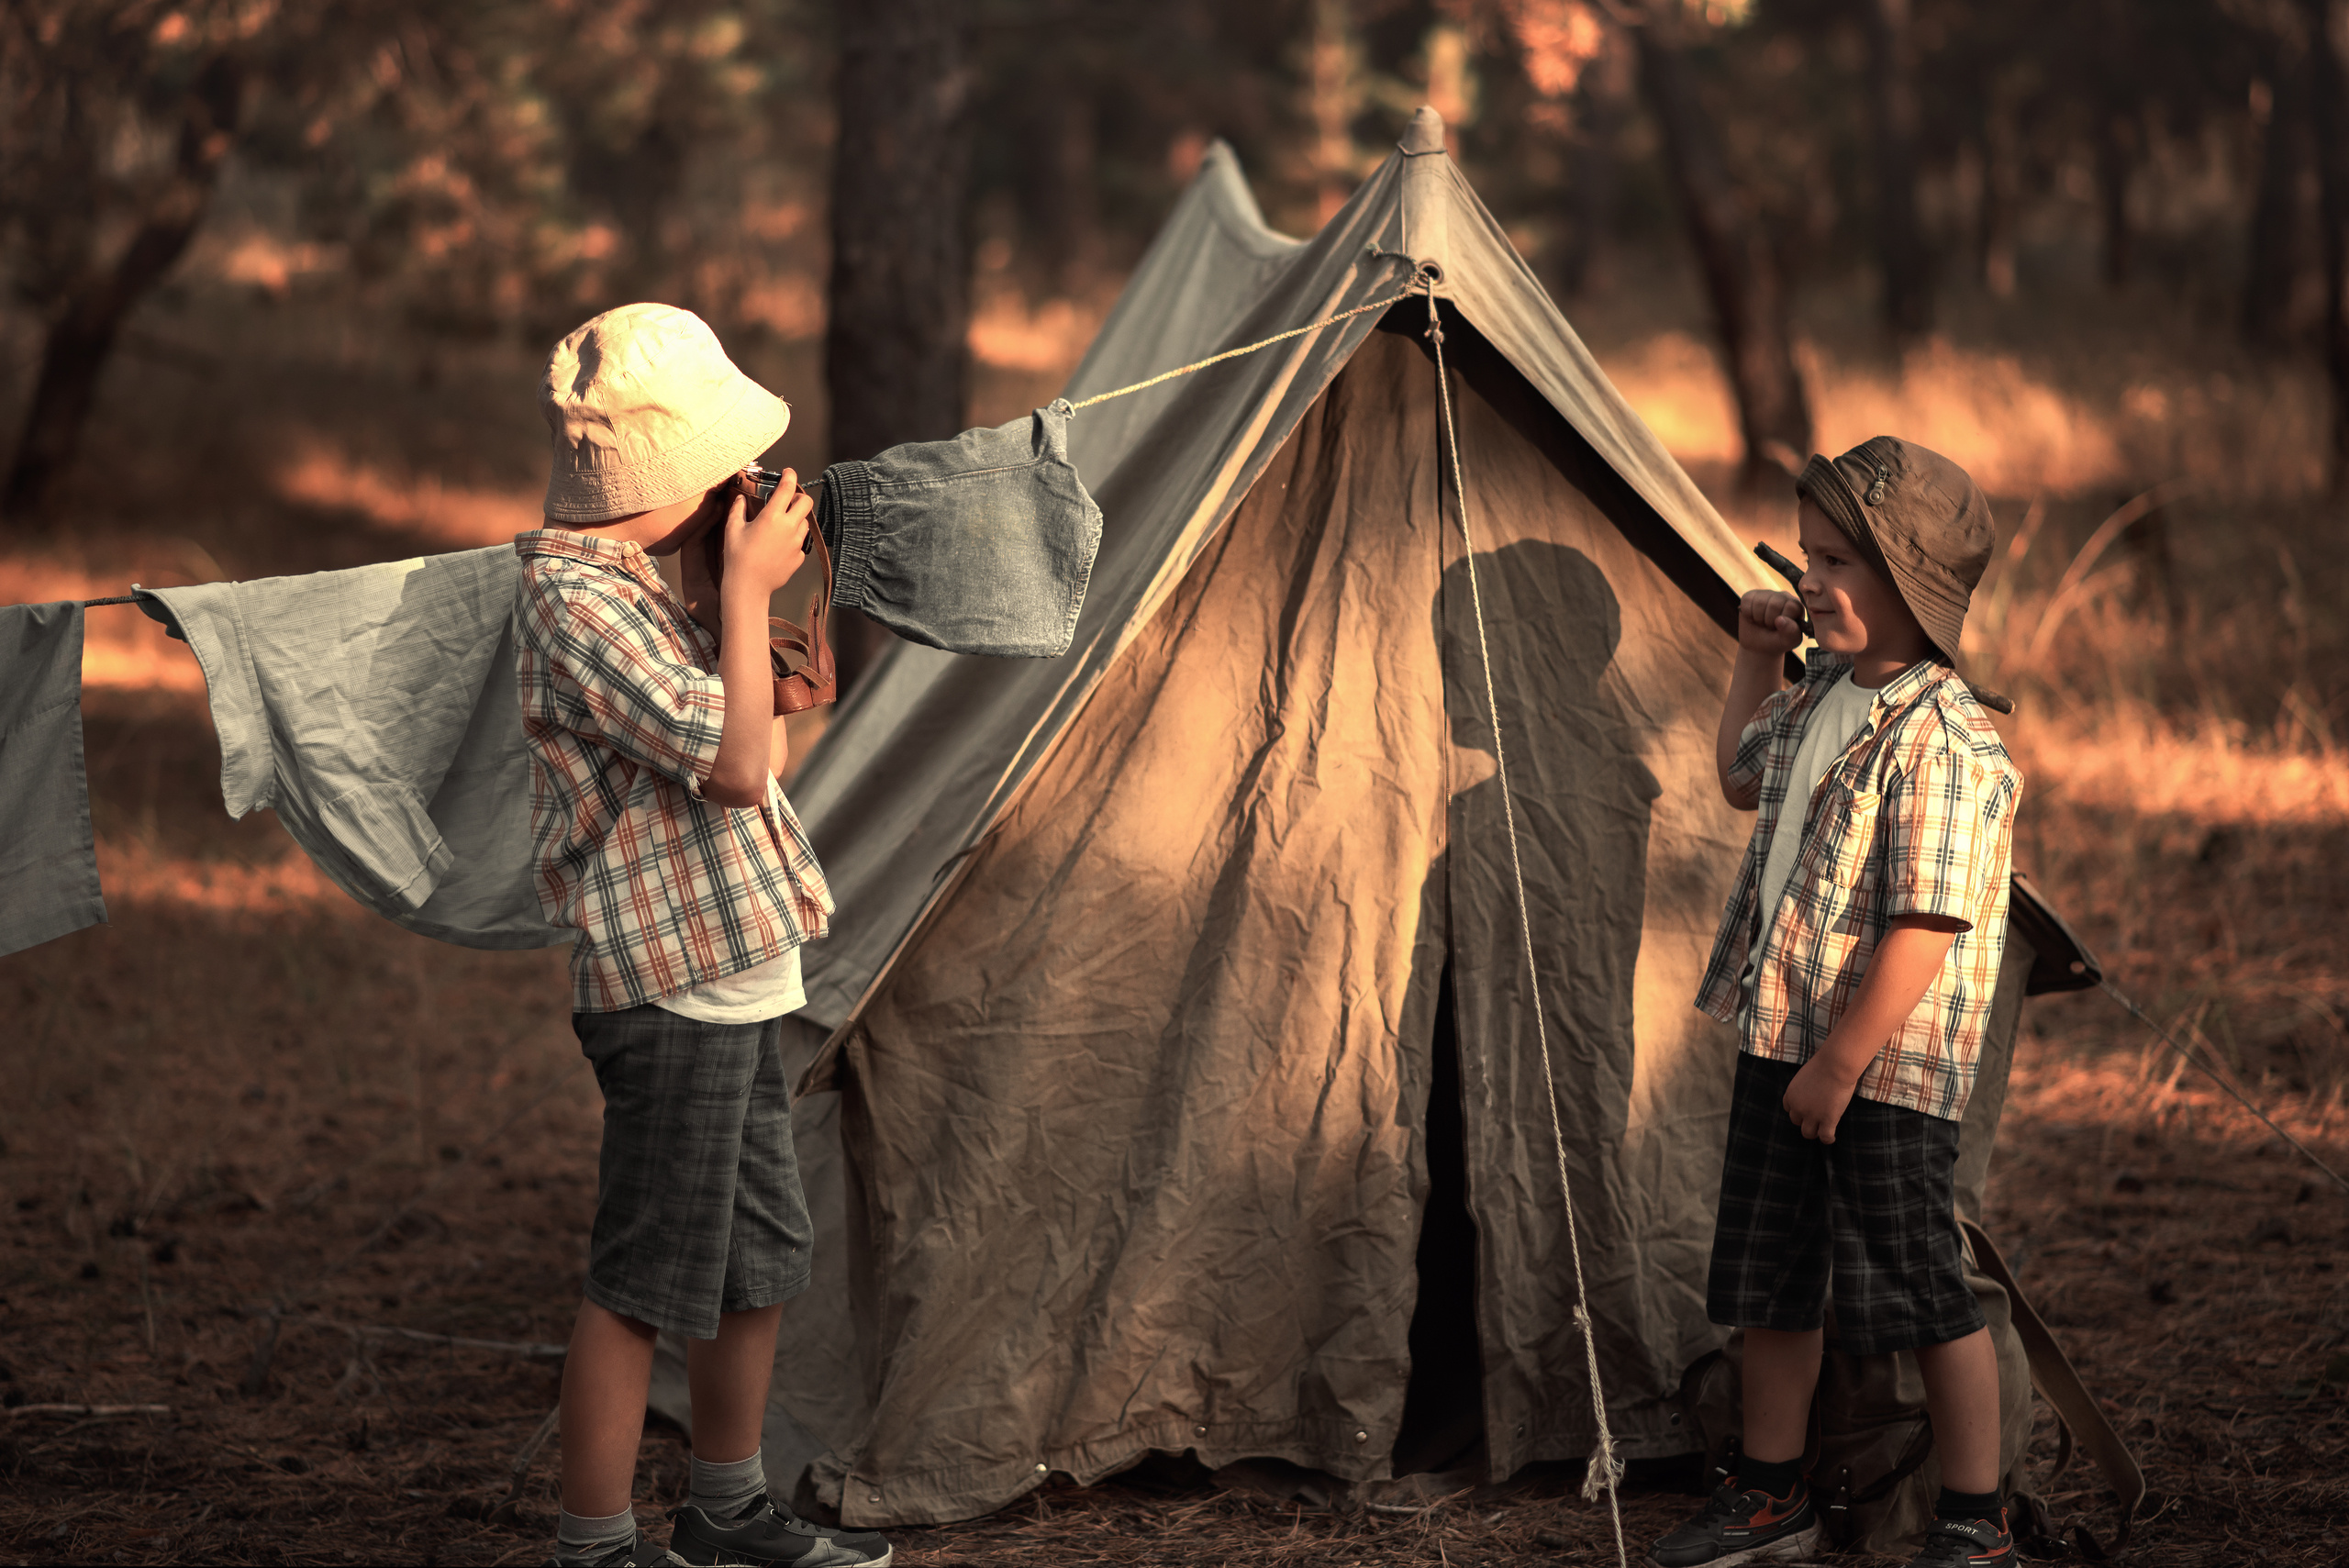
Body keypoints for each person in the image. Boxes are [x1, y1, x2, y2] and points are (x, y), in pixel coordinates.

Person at [514, 302, 892, 1568]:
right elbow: (733, 770)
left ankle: (725, 1509)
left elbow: (749, 726)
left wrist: (743, 619)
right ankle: (594, 1543)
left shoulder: (645, 586)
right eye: (722, 459)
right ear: (662, 472)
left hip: (732, 978)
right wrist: (739, 589)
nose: (748, 477)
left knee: (754, 1261)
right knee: (643, 1281)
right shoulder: (576, 603)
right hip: (668, 991)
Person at [1650, 437, 2022, 1568]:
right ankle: (1772, 1494)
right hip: (1783, 1041)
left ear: (1909, 583)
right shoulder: (1817, 694)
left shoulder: (1944, 737)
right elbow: (1736, 777)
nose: (1807, 578)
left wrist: (1843, 1061)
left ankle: (1976, 1518)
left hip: (1881, 1069)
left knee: (1919, 1289)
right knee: (1773, 1278)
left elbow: (1926, 924)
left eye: (1835, 561)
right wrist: (1752, 658)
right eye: (1807, 555)